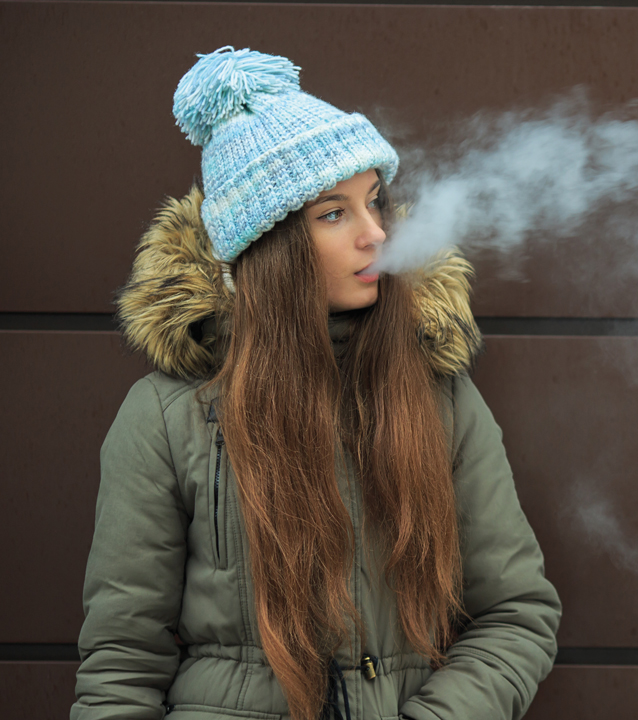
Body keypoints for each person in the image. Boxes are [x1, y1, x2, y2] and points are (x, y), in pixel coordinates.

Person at [71, 47, 560, 720]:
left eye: (374, 203)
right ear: (269, 247)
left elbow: (517, 614)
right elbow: (121, 666)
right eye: (334, 213)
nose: (375, 234)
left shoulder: (437, 396)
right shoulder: (166, 417)